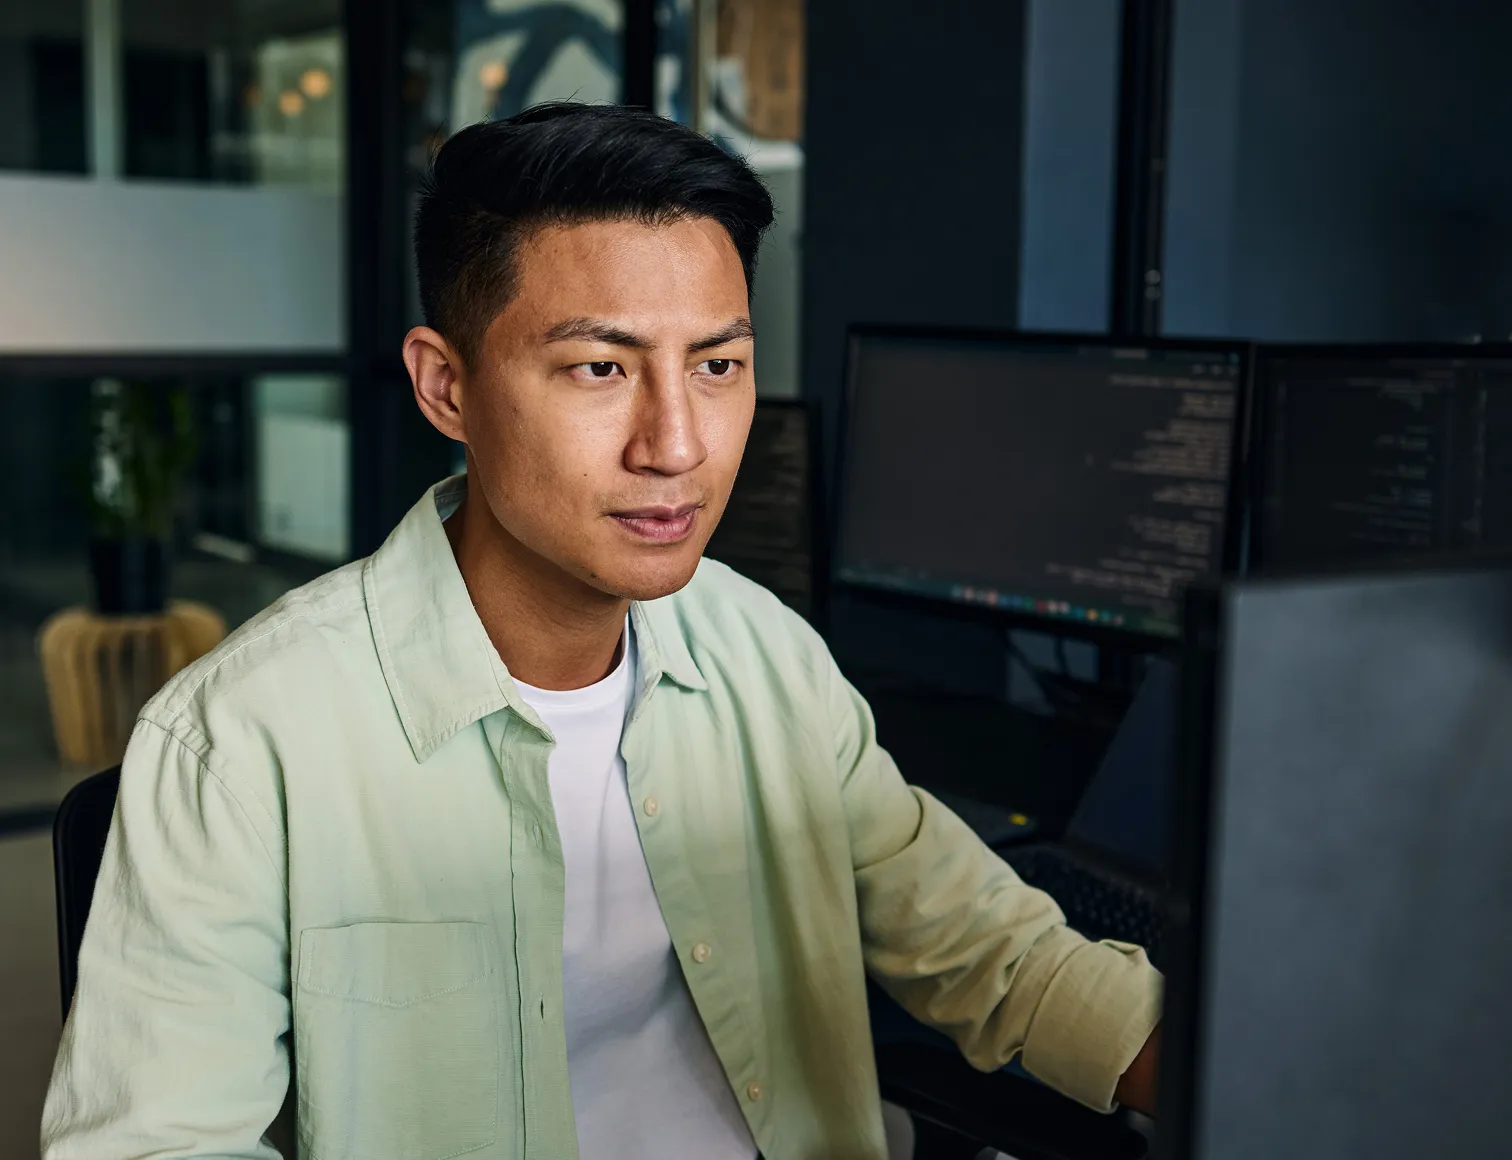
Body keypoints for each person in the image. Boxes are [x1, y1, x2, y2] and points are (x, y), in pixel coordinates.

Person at [42, 103, 1160, 1160]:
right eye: (599, 368)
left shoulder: (762, 649)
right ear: (447, 387)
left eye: (717, 364)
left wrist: (1238, 1064)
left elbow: (987, 944)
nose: (676, 442)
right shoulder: (241, 743)